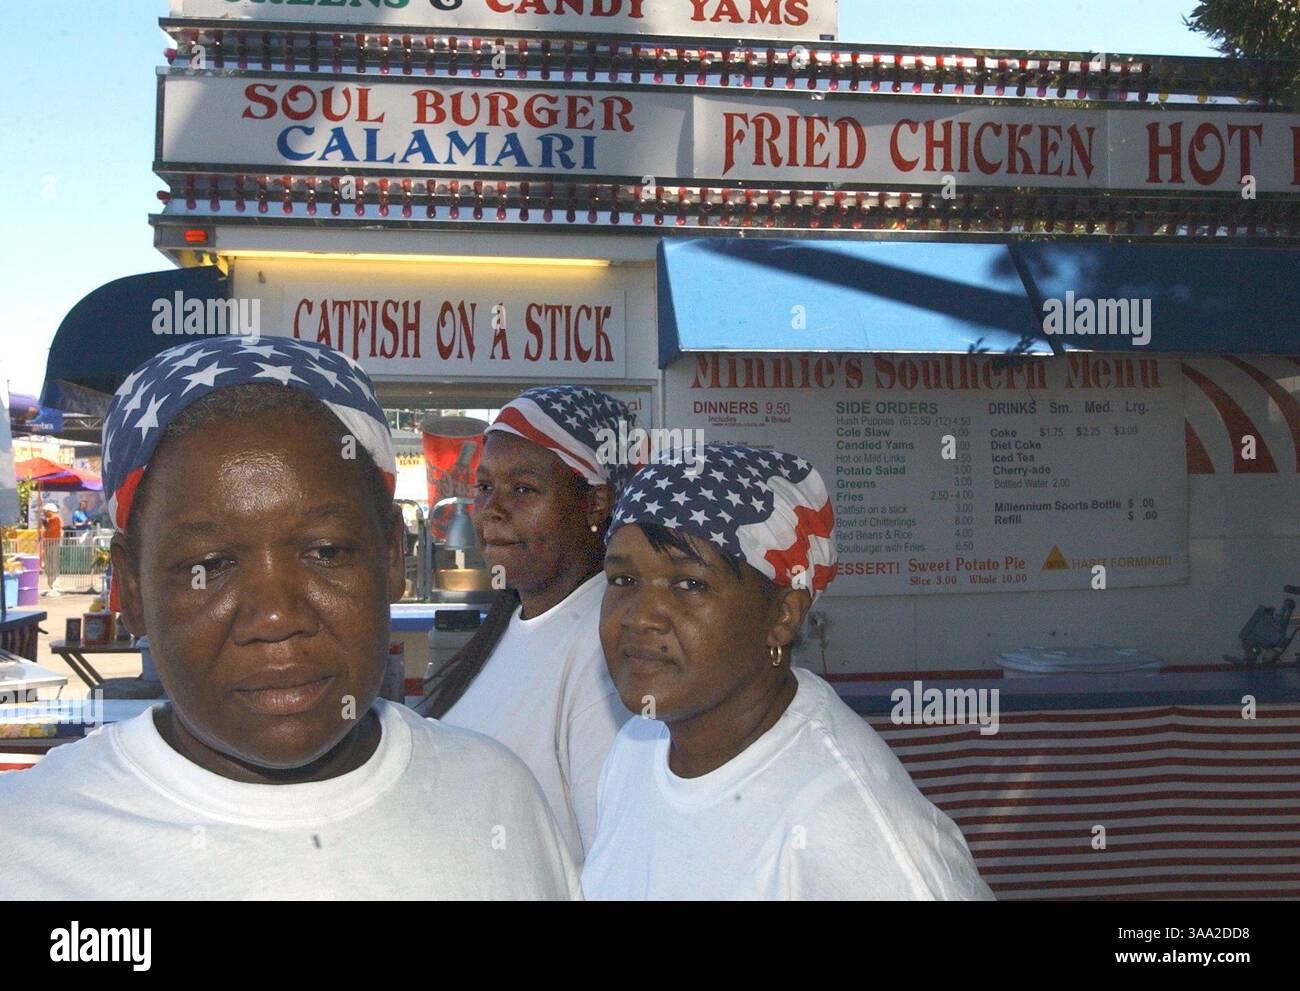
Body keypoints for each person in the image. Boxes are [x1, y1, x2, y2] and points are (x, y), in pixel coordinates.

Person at [0, 336, 580, 900]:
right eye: (212, 564)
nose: (276, 616)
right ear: (131, 589)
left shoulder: (498, 802)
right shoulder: (26, 848)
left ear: (390, 559)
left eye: (326, 552)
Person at [581, 444, 994, 900]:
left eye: (689, 584)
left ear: (783, 616)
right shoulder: (635, 752)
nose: (639, 617)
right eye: (623, 580)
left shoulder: (848, 826)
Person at [418, 386, 636, 864]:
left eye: (523, 489)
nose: (492, 509)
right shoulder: (516, 621)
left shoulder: (606, 653)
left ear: (594, 506)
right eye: (484, 486)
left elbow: (614, 864)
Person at [38, 502, 62, 596]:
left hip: (53, 543)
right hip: (48, 543)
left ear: (50, 511)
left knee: (53, 565)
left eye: (45, 511)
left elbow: (50, 531)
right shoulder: (50, 519)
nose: (44, 512)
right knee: (49, 566)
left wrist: (44, 527)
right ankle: (51, 586)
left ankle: (55, 587)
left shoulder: (55, 519)